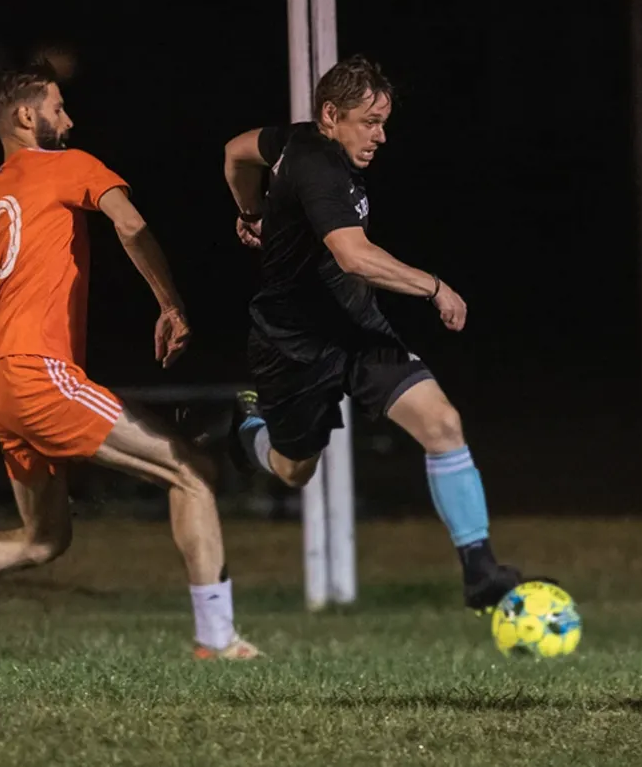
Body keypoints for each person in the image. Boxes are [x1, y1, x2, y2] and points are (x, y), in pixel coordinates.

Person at [0, 59, 260, 662]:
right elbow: (132, 225)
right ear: (27, 116)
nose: (70, 117)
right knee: (190, 470)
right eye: (59, 107)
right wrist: (171, 305)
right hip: (40, 374)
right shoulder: (71, 167)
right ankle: (217, 641)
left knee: (42, 539)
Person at [222, 55, 544, 613]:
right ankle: (246, 430)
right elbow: (353, 256)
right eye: (369, 122)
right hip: (292, 345)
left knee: (442, 422)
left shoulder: (289, 140)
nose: (381, 136)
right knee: (293, 470)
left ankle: (479, 571)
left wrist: (251, 210)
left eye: (384, 121)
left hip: (354, 330)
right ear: (330, 115)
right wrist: (435, 286)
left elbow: (235, 150)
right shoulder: (317, 166)